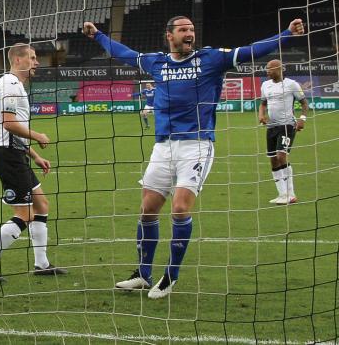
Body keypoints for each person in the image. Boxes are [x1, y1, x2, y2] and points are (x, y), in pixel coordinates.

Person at [83, 16, 305, 299]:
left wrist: (286, 34)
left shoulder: (211, 59)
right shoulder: (157, 62)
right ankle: (142, 273)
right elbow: (125, 54)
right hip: (163, 147)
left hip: (196, 145)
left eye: (191, 29)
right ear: (169, 35)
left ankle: (170, 276)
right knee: (148, 209)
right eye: (183, 30)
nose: (189, 33)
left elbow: (252, 50)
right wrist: (97, 35)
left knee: (179, 209)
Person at [0, 44, 67, 282]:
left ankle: (42, 264)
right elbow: (8, 123)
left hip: (15, 154)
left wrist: (35, 156)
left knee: (42, 205)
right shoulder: (10, 84)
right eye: (33, 58)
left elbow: (14, 131)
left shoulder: (16, 86)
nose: (37, 62)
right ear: (17, 60)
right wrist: (38, 135)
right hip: (7, 157)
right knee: (24, 214)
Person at [259, 59, 309, 205]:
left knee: (281, 156)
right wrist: (261, 115)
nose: (267, 71)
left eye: (270, 69)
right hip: (271, 127)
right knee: (273, 160)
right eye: (266, 69)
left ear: (279, 69)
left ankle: (291, 194)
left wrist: (302, 119)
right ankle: (282, 194)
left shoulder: (292, 84)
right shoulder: (265, 85)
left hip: (287, 125)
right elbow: (263, 104)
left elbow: (304, 103)